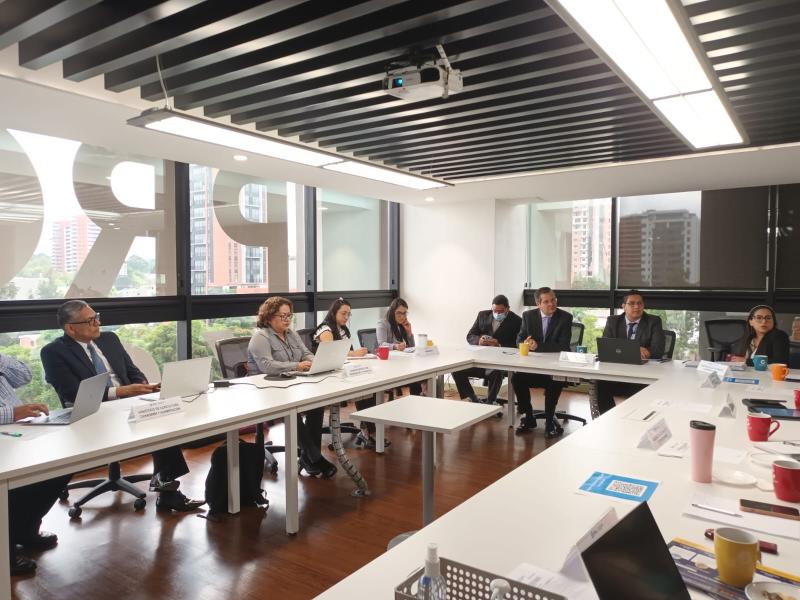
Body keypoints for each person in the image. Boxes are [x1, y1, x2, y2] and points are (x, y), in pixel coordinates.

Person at [40, 300, 204, 512]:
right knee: (155, 423)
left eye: (97, 317)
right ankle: (168, 492)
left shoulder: (109, 339)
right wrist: (120, 392)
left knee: (163, 420)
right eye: (90, 321)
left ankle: (166, 488)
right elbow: (72, 392)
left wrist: (144, 387)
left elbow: (131, 371)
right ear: (70, 328)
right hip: (93, 413)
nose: (97, 323)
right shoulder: (53, 352)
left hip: (128, 404)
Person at [247, 296, 337, 479]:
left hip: (291, 385)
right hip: (266, 391)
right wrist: (297, 365)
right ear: (269, 316)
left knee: (316, 404)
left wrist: (316, 362)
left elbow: (306, 353)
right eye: (283, 316)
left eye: (289, 315)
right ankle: (315, 458)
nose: (287, 319)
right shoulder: (260, 337)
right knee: (291, 411)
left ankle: (308, 458)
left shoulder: (291, 334)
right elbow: (267, 366)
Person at [0, 353, 71, 576]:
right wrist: (12, 413)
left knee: (62, 464)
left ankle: (25, 529)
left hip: (15, 431)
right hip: (8, 428)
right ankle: (5, 549)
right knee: (12, 484)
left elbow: (24, 376)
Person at [313, 298, 389, 449]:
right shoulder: (325, 330)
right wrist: (354, 354)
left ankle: (368, 430)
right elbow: (331, 354)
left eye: (349, 314)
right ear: (334, 312)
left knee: (369, 386)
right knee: (363, 387)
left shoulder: (341, 329)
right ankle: (367, 431)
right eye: (343, 313)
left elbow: (346, 354)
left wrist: (358, 355)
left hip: (340, 371)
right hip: (325, 377)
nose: (346, 317)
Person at [512, 287, 573, 438]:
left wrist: (538, 346)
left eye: (553, 300)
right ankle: (529, 416)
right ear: (538, 304)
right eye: (546, 302)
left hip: (555, 368)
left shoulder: (565, 318)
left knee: (554, 380)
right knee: (517, 378)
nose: (551, 304)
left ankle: (550, 421)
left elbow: (563, 345)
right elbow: (519, 340)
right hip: (534, 367)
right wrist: (525, 343)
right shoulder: (528, 316)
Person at [595, 290, 665, 415]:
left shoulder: (653, 322)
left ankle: (639, 418)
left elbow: (658, 350)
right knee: (601, 384)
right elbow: (606, 346)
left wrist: (646, 351)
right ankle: (608, 417)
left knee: (643, 395)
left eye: (639, 303)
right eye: (632, 303)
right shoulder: (613, 321)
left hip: (643, 376)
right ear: (624, 306)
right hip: (618, 373)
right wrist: (635, 349)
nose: (636, 306)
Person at [451, 294, 522, 404]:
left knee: (496, 372)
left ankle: (490, 402)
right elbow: (470, 335)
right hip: (480, 360)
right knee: (456, 369)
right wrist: (479, 341)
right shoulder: (482, 315)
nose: (497, 314)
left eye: (501, 311)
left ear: (508, 309)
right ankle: (473, 398)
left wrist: (499, 344)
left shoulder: (517, 320)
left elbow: (518, 344)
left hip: (500, 362)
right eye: (495, 311)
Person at [376, 298, 423, 396]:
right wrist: (395, 346)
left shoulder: (402, 325)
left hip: (401, 363)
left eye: (405, 313)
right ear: (392, 311)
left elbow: (411, 347)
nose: (402, 316)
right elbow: (381, 344)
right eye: (399, 313)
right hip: (389, 365)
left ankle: (419, 397)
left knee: (419, 375)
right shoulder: (383, 323)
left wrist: (409, 333)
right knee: (416, 379)